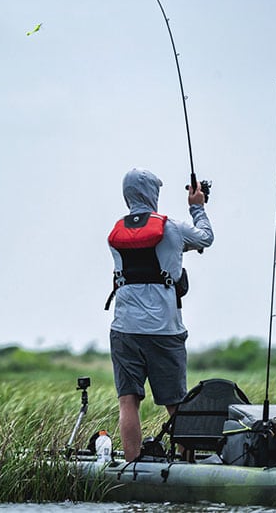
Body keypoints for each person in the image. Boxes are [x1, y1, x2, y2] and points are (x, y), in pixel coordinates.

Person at [105, 167, 213, 462]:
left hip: (124, 328)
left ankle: (132, 466)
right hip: (165, 330)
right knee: (177, 402)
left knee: (128, 400)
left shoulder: (115, 235)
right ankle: (186, 463)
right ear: (153, 193)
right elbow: (205, 238)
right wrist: (197, 207)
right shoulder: (173, 228)